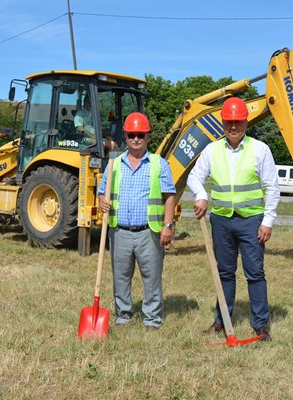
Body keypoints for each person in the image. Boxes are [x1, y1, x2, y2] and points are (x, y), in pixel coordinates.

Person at [187, 97, 280, 341]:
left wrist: (267, 221)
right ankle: (222, 321)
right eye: (229, 122)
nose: (234, 127)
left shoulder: (260, 149)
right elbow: (194, 176)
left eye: (238, 122)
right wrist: (201, 195)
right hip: (221, 221)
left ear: (246, 122)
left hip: (251, 222)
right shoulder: (212, 149)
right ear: (223, 123)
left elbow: (272, 187)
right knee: (224, 273)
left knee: (255, 273)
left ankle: (260, 325)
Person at [98, 112, 176, 331]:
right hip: (120, 231)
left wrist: (167, 226)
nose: (136, 139)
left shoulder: (159, 164)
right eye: (132, 134)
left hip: (148, 231)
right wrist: (102, 201)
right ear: (125, 136)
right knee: (120, 276)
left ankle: (152, 318)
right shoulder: (113, 165)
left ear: (148, 136)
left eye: (140, 135)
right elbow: (102, 191)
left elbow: (169, 196)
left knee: (151, 276)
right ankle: (123, 314)